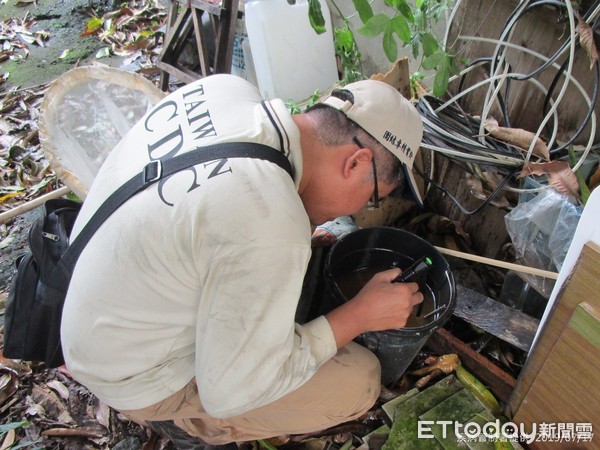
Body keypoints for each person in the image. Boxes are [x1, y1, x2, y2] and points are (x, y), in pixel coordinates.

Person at [60, 74, 425, 449]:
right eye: (373, 198)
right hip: (130, 372)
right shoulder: (268, 220)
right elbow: (230, 392)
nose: (363, 209)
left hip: (91, 302)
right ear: (355, 163)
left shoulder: (226, 89)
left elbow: (221, 211)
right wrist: (359, 316)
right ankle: (188, 424)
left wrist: (285, 240)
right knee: (359, 381)